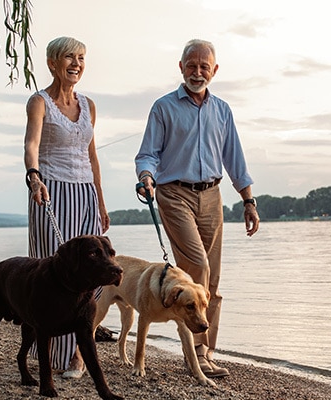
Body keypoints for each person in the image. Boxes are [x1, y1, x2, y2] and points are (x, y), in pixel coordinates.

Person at [135, 39, 260, 378]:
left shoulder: (222, 110)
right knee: (198, 268)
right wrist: (146, 176)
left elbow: (235, 158)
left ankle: (206, 351)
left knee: (212, 284)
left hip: (212, 196)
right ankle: (198, 356)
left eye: (205, 66)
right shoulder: (164, 108)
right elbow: (148, 153)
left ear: (214, 71)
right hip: (174, 194)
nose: (198, 71)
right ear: (181, 67)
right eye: (192, 65)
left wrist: (248, 200)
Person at [24, 36, 110, 379]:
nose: (76, 63)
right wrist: (34, 177)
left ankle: (75, 350)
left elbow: (91, 155)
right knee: (53, 276)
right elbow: (31, 144)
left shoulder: (89, 104)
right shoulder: (39, 102)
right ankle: (55, 356)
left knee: (96, 274)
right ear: (52, 63)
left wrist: (101, 200)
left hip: (86, 193)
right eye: (69, 57)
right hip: (51, 192)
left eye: (82, 57)